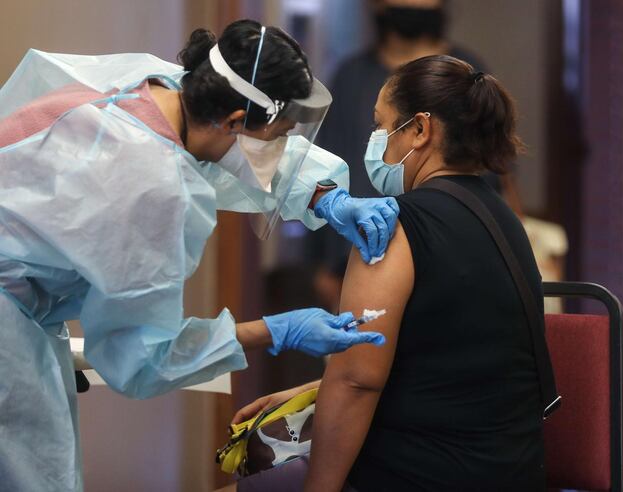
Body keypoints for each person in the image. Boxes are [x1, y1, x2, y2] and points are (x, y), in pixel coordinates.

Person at [0, 20, 399, 492]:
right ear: (233, 121)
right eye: (278, 137)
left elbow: (227, 152)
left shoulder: (157, 86)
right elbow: (142, 359)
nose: (279, 151)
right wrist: (276, 330)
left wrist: (323, 195)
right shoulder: (151, 185)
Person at [232, 55, 557, 491]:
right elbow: (447, 361)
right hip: (510, 470)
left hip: (419, 472)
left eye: (381, 125)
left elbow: (358, 380)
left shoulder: (389, 224)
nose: (376, 141)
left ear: (420, 130)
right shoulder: (502, 219)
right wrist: (315, 388)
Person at [307, 0, 487, 264]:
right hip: (357, 245)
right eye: (376, 124)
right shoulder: (351, 77)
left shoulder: (469, 76)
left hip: (449, 248)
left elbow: (492, 172)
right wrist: (323, 260)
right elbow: (322, 167)